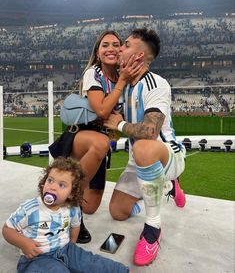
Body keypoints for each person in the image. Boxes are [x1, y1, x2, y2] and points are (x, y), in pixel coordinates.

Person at [49, 30, 143, 243]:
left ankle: (65, 193)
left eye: (116, 44)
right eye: (105, 45)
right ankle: (70, 211)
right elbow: (101, 111)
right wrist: (122, 82)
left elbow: (117, 121)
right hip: (80, 136)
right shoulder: (94, 72)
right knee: (100, 143)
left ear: (121, 50)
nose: (110, 48)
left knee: (91, 207)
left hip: (101, 141)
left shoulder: (123, 76)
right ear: (98, 53)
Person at [104, 28, 186, 266]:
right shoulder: (123, 86)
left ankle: (153, 228)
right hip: (136, 160)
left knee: (143, 147)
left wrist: (118, 123)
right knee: (117, 211)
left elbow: (150, 131)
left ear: (139, 56)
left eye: (126, 45)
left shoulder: (156, 84)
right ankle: (164, 186)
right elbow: (112, 128)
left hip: (165, 153)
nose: (120, 48)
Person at [2, 157, 131, 273]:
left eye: (61, 185)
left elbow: (75, 226)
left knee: (93, 263)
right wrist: (24, 243)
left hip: (65, 250)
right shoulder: (30, 209)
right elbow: (7, 229)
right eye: (50, 180)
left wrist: (71, 245)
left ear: (72, 193)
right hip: (37, 259)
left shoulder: (72, 208)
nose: (52, 187)